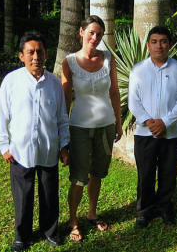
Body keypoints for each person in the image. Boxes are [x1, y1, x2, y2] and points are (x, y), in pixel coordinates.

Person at [0, 31, 70, 251]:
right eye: (30, 52)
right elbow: (1, 116)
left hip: (48, 150)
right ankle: (21, 236)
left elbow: (62, 117)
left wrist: (64, 145)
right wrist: (4, 146)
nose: (36, 56)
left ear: (46, 54)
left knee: (49, 195)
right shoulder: (12, 81)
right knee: (23, 197)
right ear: (21, 56)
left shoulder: (54, 83)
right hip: (20, 152)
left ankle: (50, 231)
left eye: (40, 52)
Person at [61, 15, 123, 242]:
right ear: (81, 32)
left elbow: (114, 92)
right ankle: (73, 220)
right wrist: (63, 131)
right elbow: (65, 99)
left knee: (98, 173)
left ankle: (92, 213)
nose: (95, 38)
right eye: (91, 33)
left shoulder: (109, 59)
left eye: (99, 34)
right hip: (79, 128)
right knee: (78, 177)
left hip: (105, 126)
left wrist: (118, 122)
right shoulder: (69, 61)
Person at [128, 26, 177, 228]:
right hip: (145, 133)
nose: (159, 46)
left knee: (168, 173)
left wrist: (165, 122)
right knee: (145, 174)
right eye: (154, 41)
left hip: (171, 133)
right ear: (147, 45)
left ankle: (165, 208)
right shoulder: (138, 70)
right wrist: (150, 122)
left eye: (163, 41)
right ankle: (144, 211)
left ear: (170, 44)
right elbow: (134, 102)